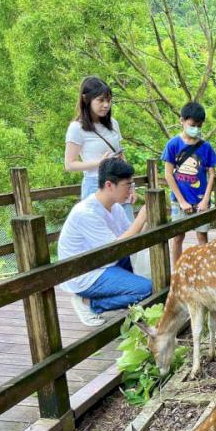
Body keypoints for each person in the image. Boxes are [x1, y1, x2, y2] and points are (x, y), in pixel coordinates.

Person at [58, 158, 152, 327]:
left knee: (153, 275)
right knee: (146, 289)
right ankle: (89, 304)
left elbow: (131, 238)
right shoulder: (86, 213)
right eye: (127, 185)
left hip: (104, 262)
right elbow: (115, 248)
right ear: (109, 185)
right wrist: (140, 218)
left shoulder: (115, 207)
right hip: (84, 273)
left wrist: (147, 219)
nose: (131, 190)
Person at [64, 76, 135, 220]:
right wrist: (100, 163)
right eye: (101, 100)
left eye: (108, 100)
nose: (106, 105)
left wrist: (130, 185)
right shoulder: (76, 128)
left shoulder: (113, 124)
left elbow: (121, 157)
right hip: (95, 185)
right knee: (98, 231)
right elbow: (69, 164)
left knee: (127, 230)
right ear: (86, 99)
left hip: (119, 183)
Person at [162, 102, 216, 262]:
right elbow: (168, 174)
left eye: (199, 126)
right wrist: (181, 201)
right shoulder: (173, 144)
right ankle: (177, 270)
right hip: (179, 200)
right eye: (192, 125)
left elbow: (212, 174)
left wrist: (205, 200)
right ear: (182, 120)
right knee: (177, 237)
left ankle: (204, 270)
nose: (195, 129)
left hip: (200, 199)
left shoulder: (206, 147)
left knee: (202, 236)